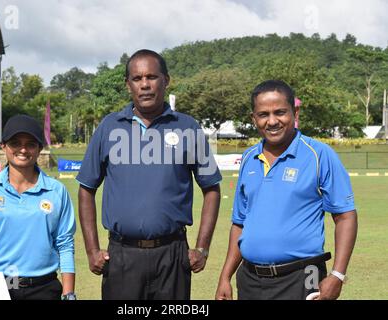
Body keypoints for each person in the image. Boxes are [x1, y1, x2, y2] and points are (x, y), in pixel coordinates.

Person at [77, 49, 222, 300]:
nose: (145, 84)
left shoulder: (187, 127)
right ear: (128, 84)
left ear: (166, 80)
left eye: (152, 77)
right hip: (122, 256)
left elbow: (211, 188)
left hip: (172, 255)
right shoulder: (109, 127)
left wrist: (202, 247)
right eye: (137, 78)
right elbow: (86, 189)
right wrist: (92, 250)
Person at [215, 80, 358, 300]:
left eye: (280, 112)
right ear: (254, 118)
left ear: (295, 112)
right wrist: (225, 277)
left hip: (302, 277)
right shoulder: (248, 158)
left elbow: (345, 216)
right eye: (263, 114)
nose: (272, 121)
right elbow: (239, 224)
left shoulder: (319, 155)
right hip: (250, 279)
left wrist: (337, 275)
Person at [0, 114, 76, 300]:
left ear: (39, 148)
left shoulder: (56, 191)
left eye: (31, 144)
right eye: (15, 143)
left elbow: (65, 244)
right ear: (3, 146)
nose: (23, 149)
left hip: (44, 289)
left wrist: (69, 294)